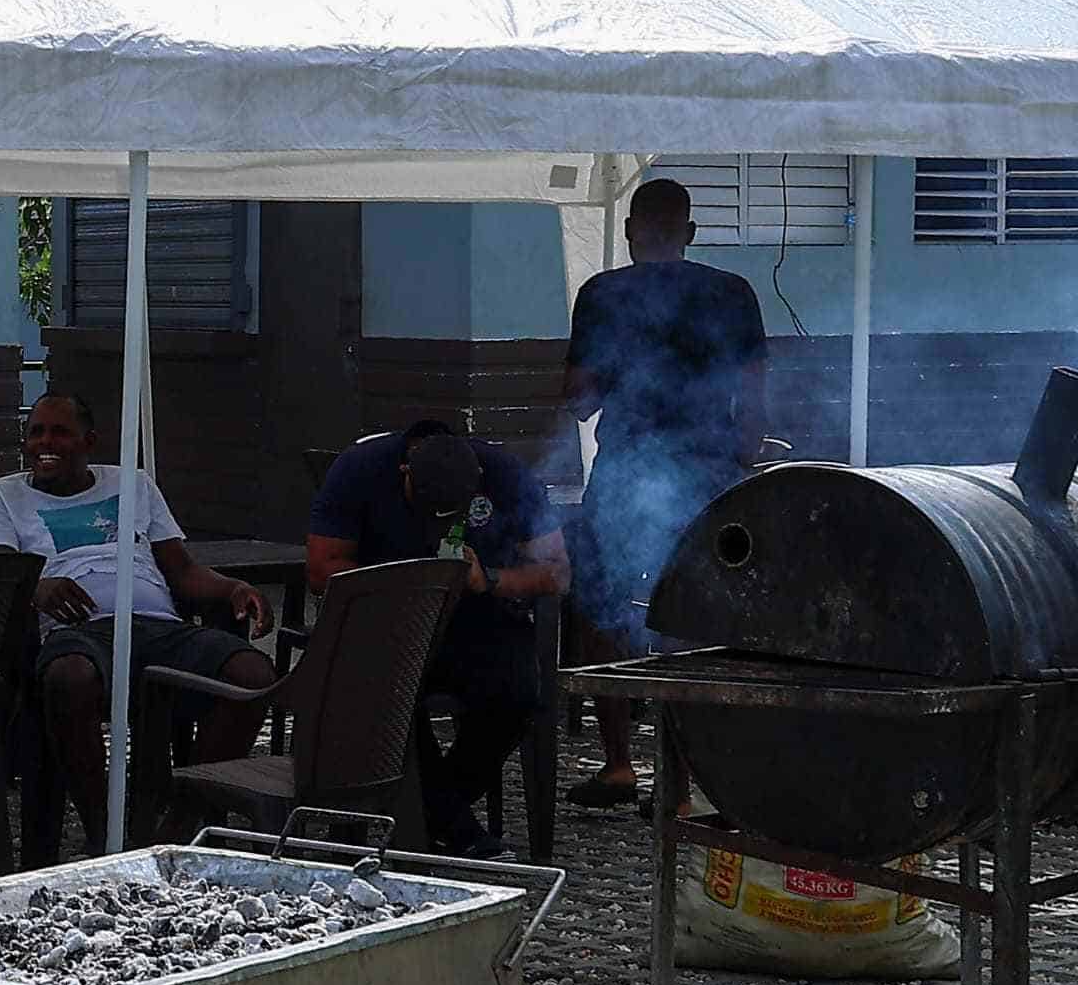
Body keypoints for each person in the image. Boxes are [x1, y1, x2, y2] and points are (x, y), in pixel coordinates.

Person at [0, 390, 272, 858]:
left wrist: (232, 588)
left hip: (157, 625)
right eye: (35, 432)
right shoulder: (0, 498)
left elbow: (183, 571)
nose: (44, 442)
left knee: (252, 676)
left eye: (59, 432)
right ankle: (104, 832)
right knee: (68, 678)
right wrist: (38, 586)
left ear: (89, 440)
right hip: (76, 633)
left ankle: (184, 814)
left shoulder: (131, 484)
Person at [564, 176, 769, 802]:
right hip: (711, 477)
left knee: (604, 611)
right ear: (690, 233)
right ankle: (682, 781)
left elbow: (577, 402)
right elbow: (757, 399)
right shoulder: (733, 294)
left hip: (626, 471)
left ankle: (620, 763)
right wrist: (744, 458)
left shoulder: (603, 295)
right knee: (698, 616)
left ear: (629, 234)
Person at [306, 419, 569, 857]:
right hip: (389, 619)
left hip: (477, 618)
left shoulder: (505, 474)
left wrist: (493, 579)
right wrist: (401, 582)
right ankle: (455, 825)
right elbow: (320, 570)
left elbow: (558, 572)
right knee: (391, 695)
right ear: (405, 471)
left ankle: (432, 813)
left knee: (517, 693)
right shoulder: (361, 468)